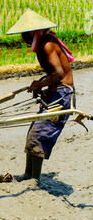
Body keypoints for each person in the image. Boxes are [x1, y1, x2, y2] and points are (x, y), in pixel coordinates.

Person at [7, 9, 76, 182]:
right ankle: (28, 175)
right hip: (56, 92)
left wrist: (40, 84)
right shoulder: (45, 43)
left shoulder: (46, 45)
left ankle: (33, 180)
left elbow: (59, 74)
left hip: (62, 95)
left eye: (24, 34)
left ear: (32, 33)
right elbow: (53, 73)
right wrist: (41, 83)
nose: (23, 39)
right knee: (33, 133)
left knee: (39, 135)